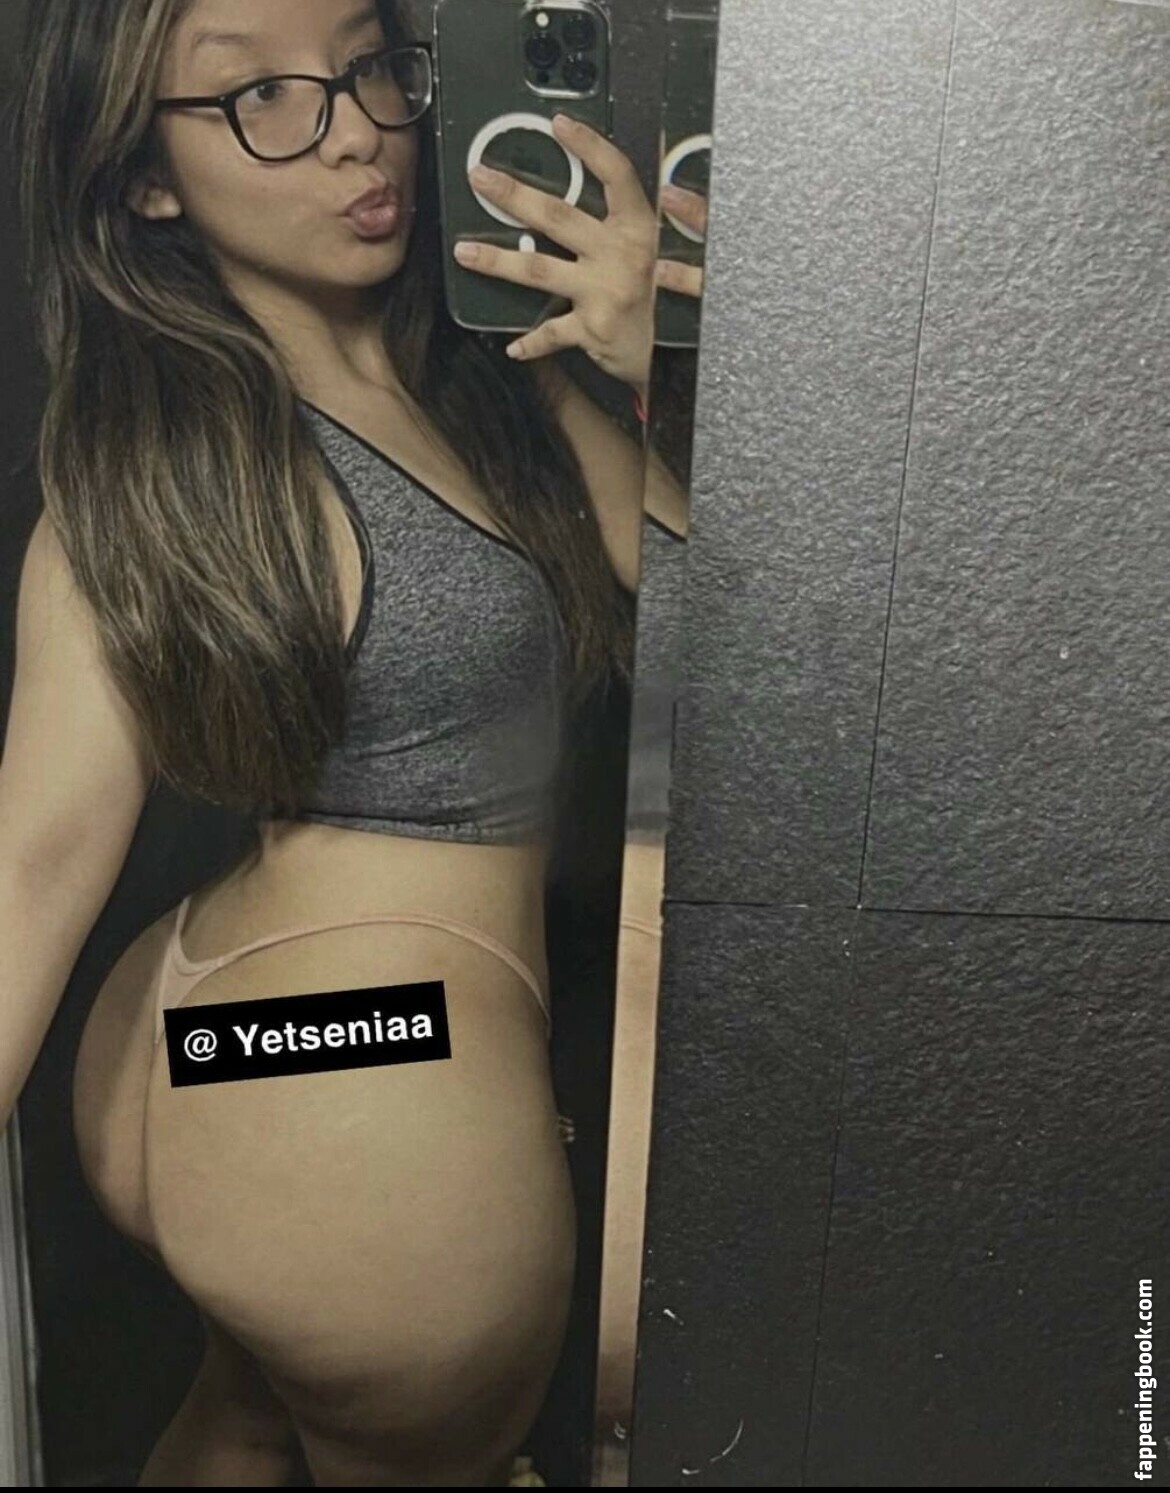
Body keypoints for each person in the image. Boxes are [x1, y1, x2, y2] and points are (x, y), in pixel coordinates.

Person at [0, 0, 688, 1483]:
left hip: (216, 1055)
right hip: (349, 1104)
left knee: (241, 1421)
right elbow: (28, 869)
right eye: (259, 97)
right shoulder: (160, 462)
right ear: (145, 177)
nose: (357, 134)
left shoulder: (493, 370)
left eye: (371, 64)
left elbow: (722, 624)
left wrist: (648, 369)